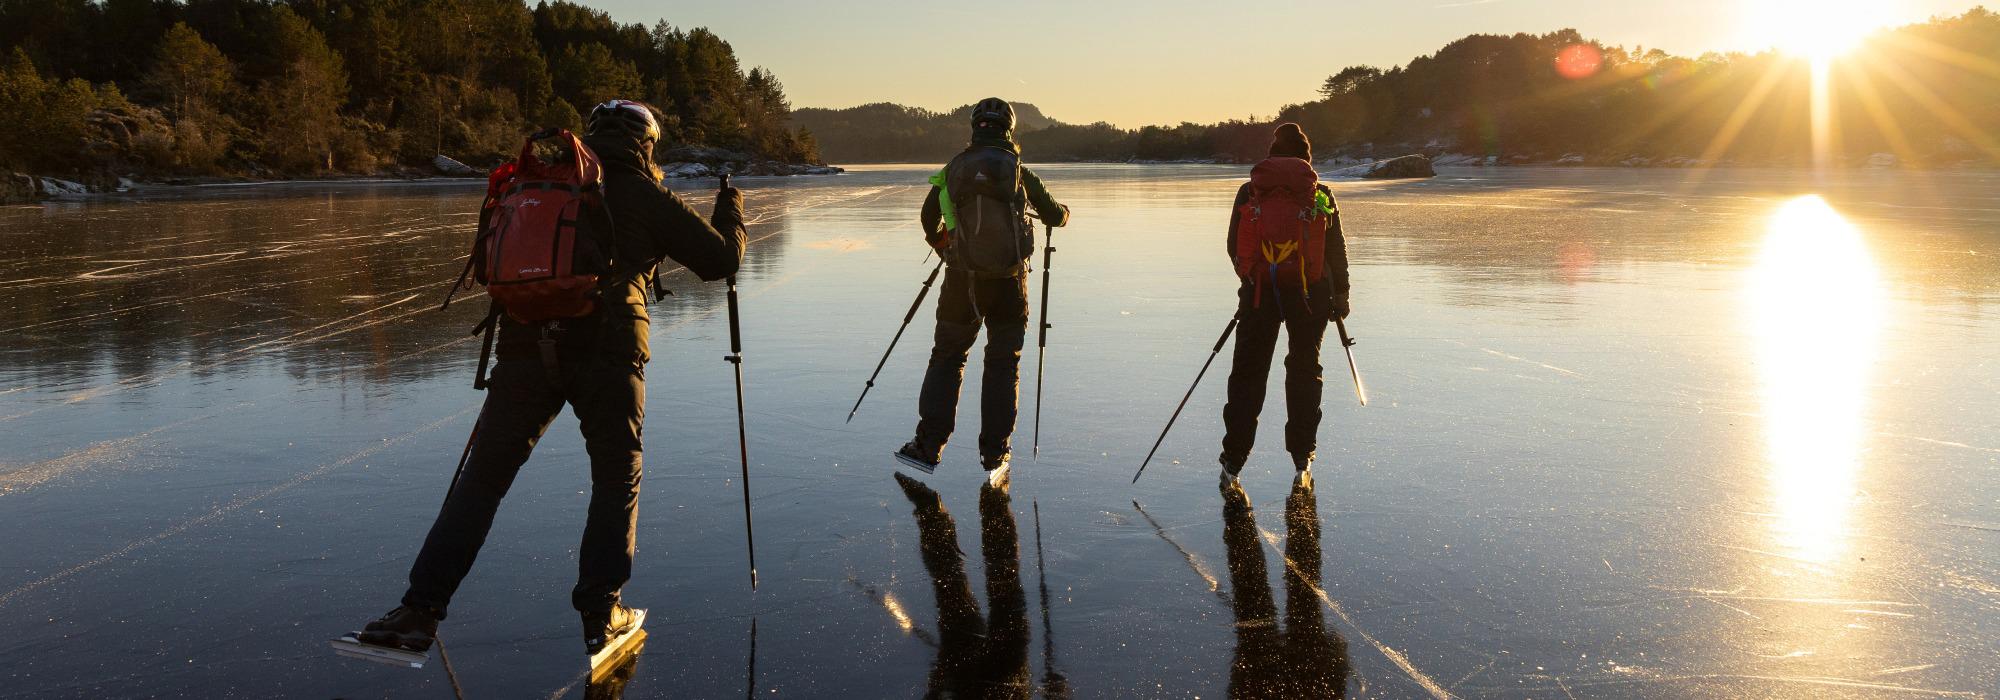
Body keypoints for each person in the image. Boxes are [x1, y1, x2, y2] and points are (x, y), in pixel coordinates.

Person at [353, 99, 746, 658]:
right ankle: (601, 612)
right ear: (647, 143)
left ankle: (416, 612)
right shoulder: (637, 189)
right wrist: (730, 206)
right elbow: (721, 260)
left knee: (483, 480)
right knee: (616, 476)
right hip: (608, 353)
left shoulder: (536, 185)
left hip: (523, 346)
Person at [895, 97, 1069, 485]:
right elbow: (1055, 215)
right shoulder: (1020, 172)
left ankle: (928, 447)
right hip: (1009, 284)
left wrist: (945, 245)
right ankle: (995, 452)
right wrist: (1063, 213)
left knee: (947, 357)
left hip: (961, 282)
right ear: (1009, 129)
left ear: (975, 127)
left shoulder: (954, 167)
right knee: (1003, 365)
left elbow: (928, 217)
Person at [1219, 123, 1351, 485]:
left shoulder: (1251, 191)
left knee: (1249, 373)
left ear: (1271, 155)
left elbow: (1234, 245)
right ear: (1306, 159)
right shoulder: (1320, 192)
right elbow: (1335, 250)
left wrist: (1251, 280)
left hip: (1260, 291)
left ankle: (1234, 458)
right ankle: (1302, 460)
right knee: (1305, 369)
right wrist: (1341, 296)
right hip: (1311, 294)